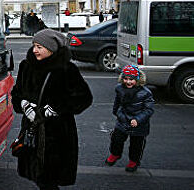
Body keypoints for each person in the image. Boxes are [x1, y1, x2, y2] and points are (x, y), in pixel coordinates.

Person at [12, 29, 93, 189]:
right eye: (34, 46)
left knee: (49, 178)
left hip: (57, 134)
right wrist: (23, 104)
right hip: (32, 131)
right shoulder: (26, 66)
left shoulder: (66, 69)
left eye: (40, 47)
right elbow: (16, 93)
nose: (35, 50)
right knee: (37, 175)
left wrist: (57, 107)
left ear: (52, 48)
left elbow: (84, 98)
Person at [105, 65, 154, 172]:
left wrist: (137, 120)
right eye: (125, 78)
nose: (128, 82)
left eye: (131, 79)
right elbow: (117, 102)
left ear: (137, 80)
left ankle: (134, 161)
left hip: (139, 123)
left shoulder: (145, 93)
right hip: (123, 119)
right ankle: (115, 154)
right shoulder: (119, 88)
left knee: (136, 145)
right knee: (116, 139)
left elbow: (149, 110)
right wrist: (116, 112)